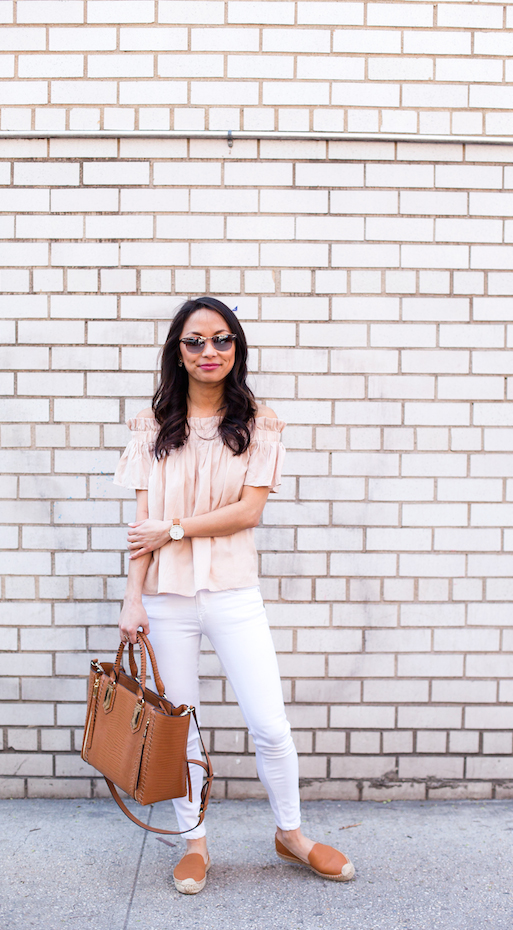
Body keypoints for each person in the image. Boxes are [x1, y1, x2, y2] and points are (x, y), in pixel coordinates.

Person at [113, 296, 355, 894]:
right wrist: (132, 600)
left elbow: (247, 512)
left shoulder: (258, 423)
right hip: (167, 598)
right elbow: (141, 523)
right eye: (194, 341)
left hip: (232, 592)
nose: (209, 352)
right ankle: (193, 843)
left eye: (221, 340)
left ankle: (291, 834)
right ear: (178, 351)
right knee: (182, 728)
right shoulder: (151, 427)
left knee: (269, 725)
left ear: (237, 347)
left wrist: (174, 528)